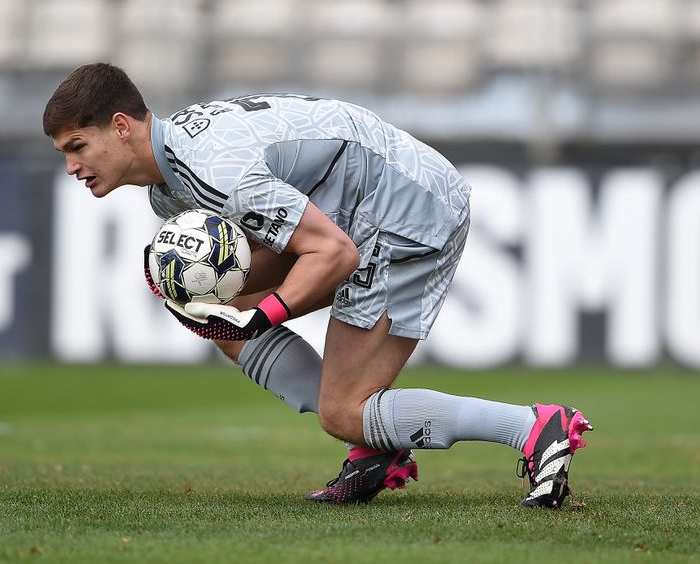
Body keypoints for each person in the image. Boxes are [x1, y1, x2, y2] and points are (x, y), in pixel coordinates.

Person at [43, 63, 592, 508]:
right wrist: (195, 293)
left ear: (120, 126)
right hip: (361, 207)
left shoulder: (211, 169)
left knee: (343, 408)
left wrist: (261, 317)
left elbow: (332, 253)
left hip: (401, 209)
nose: (71, 166)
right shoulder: (170, 187)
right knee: (215, 306)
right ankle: (375, 448)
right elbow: (276, 256)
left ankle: (535, 427)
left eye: (76, 146)